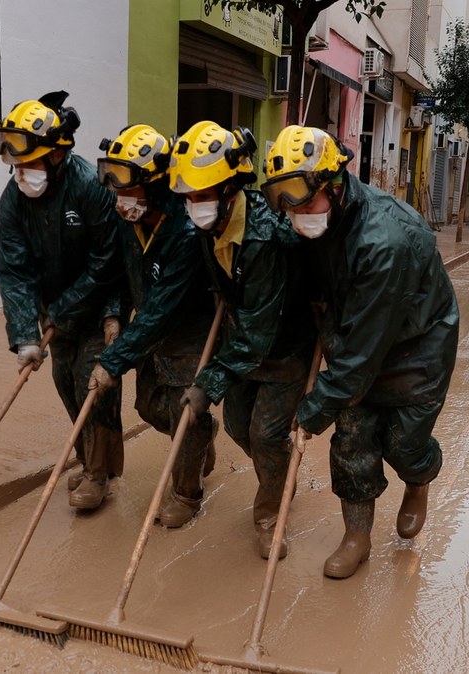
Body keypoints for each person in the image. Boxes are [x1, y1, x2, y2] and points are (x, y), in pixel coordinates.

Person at [261, 126, 460, 579]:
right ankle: (357, 536)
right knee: (351, 440)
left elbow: (361, 357)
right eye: (285, 203)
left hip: (417, 347)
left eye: (302, 201)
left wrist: (312, 410)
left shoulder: (384, 240)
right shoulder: (316, 218)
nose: (294, 214)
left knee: (401, 442)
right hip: (355, 334)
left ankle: (420, 475)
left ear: (333, 186)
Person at [168, 121, 318, 558]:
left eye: (202, 194)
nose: (193, 204)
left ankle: (270, 513)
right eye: (188, 196)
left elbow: (260, 331)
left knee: (266, 434)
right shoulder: (208, 226)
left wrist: (206, 384)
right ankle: (280, 474)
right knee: (237, 426)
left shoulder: (266, 235)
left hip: (284, 347)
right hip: (241, 345)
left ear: (230, 189)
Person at [0, 91, 124, 511]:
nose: (20, 172)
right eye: (15, 164)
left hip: (98, 306)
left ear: (56, 155)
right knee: (67, 386)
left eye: (29, 162)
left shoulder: (89, 187)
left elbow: (107, 260)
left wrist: (68, 311)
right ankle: (88, 462)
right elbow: (14, 269)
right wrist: (25, 333)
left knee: (94, 388)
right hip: (56, 315)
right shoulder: (14, 198)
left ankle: (99, 475)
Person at [86, 124, 219, 527]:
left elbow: (164, 309)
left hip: (188, 332)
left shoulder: (183, 230)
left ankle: (187, 493)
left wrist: (113, 362)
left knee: (184, 415)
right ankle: (202, 437)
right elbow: (117, 275)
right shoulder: (131, 221)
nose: (118, 195)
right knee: (149, 407)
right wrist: (112, 313)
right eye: (114, 182)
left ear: (157, 184)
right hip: (150, 333)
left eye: (127, 184)